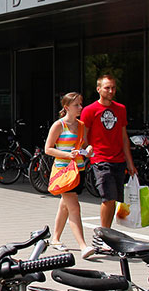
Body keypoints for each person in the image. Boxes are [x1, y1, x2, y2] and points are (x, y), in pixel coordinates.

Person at [81, 75, 137, 259]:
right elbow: (84, 135)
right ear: (98, 89)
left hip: (118, 159)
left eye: (113, 88)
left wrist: (130, 162)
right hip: (100, 159)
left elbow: (123, 137)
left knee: (115, 199)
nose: (111, 91)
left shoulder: (120, 109)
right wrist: (89, 154)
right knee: (108, 197)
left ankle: (106, 235)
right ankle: (102, 237)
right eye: (107, 88)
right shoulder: (90, 110)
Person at [44, 92, 93, 257]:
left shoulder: (81, 125)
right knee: (74, 207)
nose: (80, 108)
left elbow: (85, 145)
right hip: (64, 172)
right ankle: (83, 245)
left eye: (81, 104)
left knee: (64, 205)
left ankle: (55, 238)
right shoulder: (59, 125)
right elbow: (48, 149)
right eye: (76, 105)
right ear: (66, 108)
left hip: (78, 170)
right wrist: (67, 155)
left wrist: (88, 150)